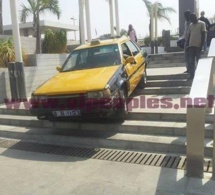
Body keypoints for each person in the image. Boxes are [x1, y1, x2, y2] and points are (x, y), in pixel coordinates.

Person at [187, 13, 206, 81]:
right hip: (191, 45)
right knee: (191, 61)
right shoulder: (190, 25)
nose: (191, 20)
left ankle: (200, 74)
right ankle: (192, 75)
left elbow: (203, 34)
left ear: (195, 17)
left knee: (199, 61)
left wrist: (202, 45)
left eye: (192, 18)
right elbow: (189, 35)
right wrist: (187, 45)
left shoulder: (202, 24)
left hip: (198, 45)